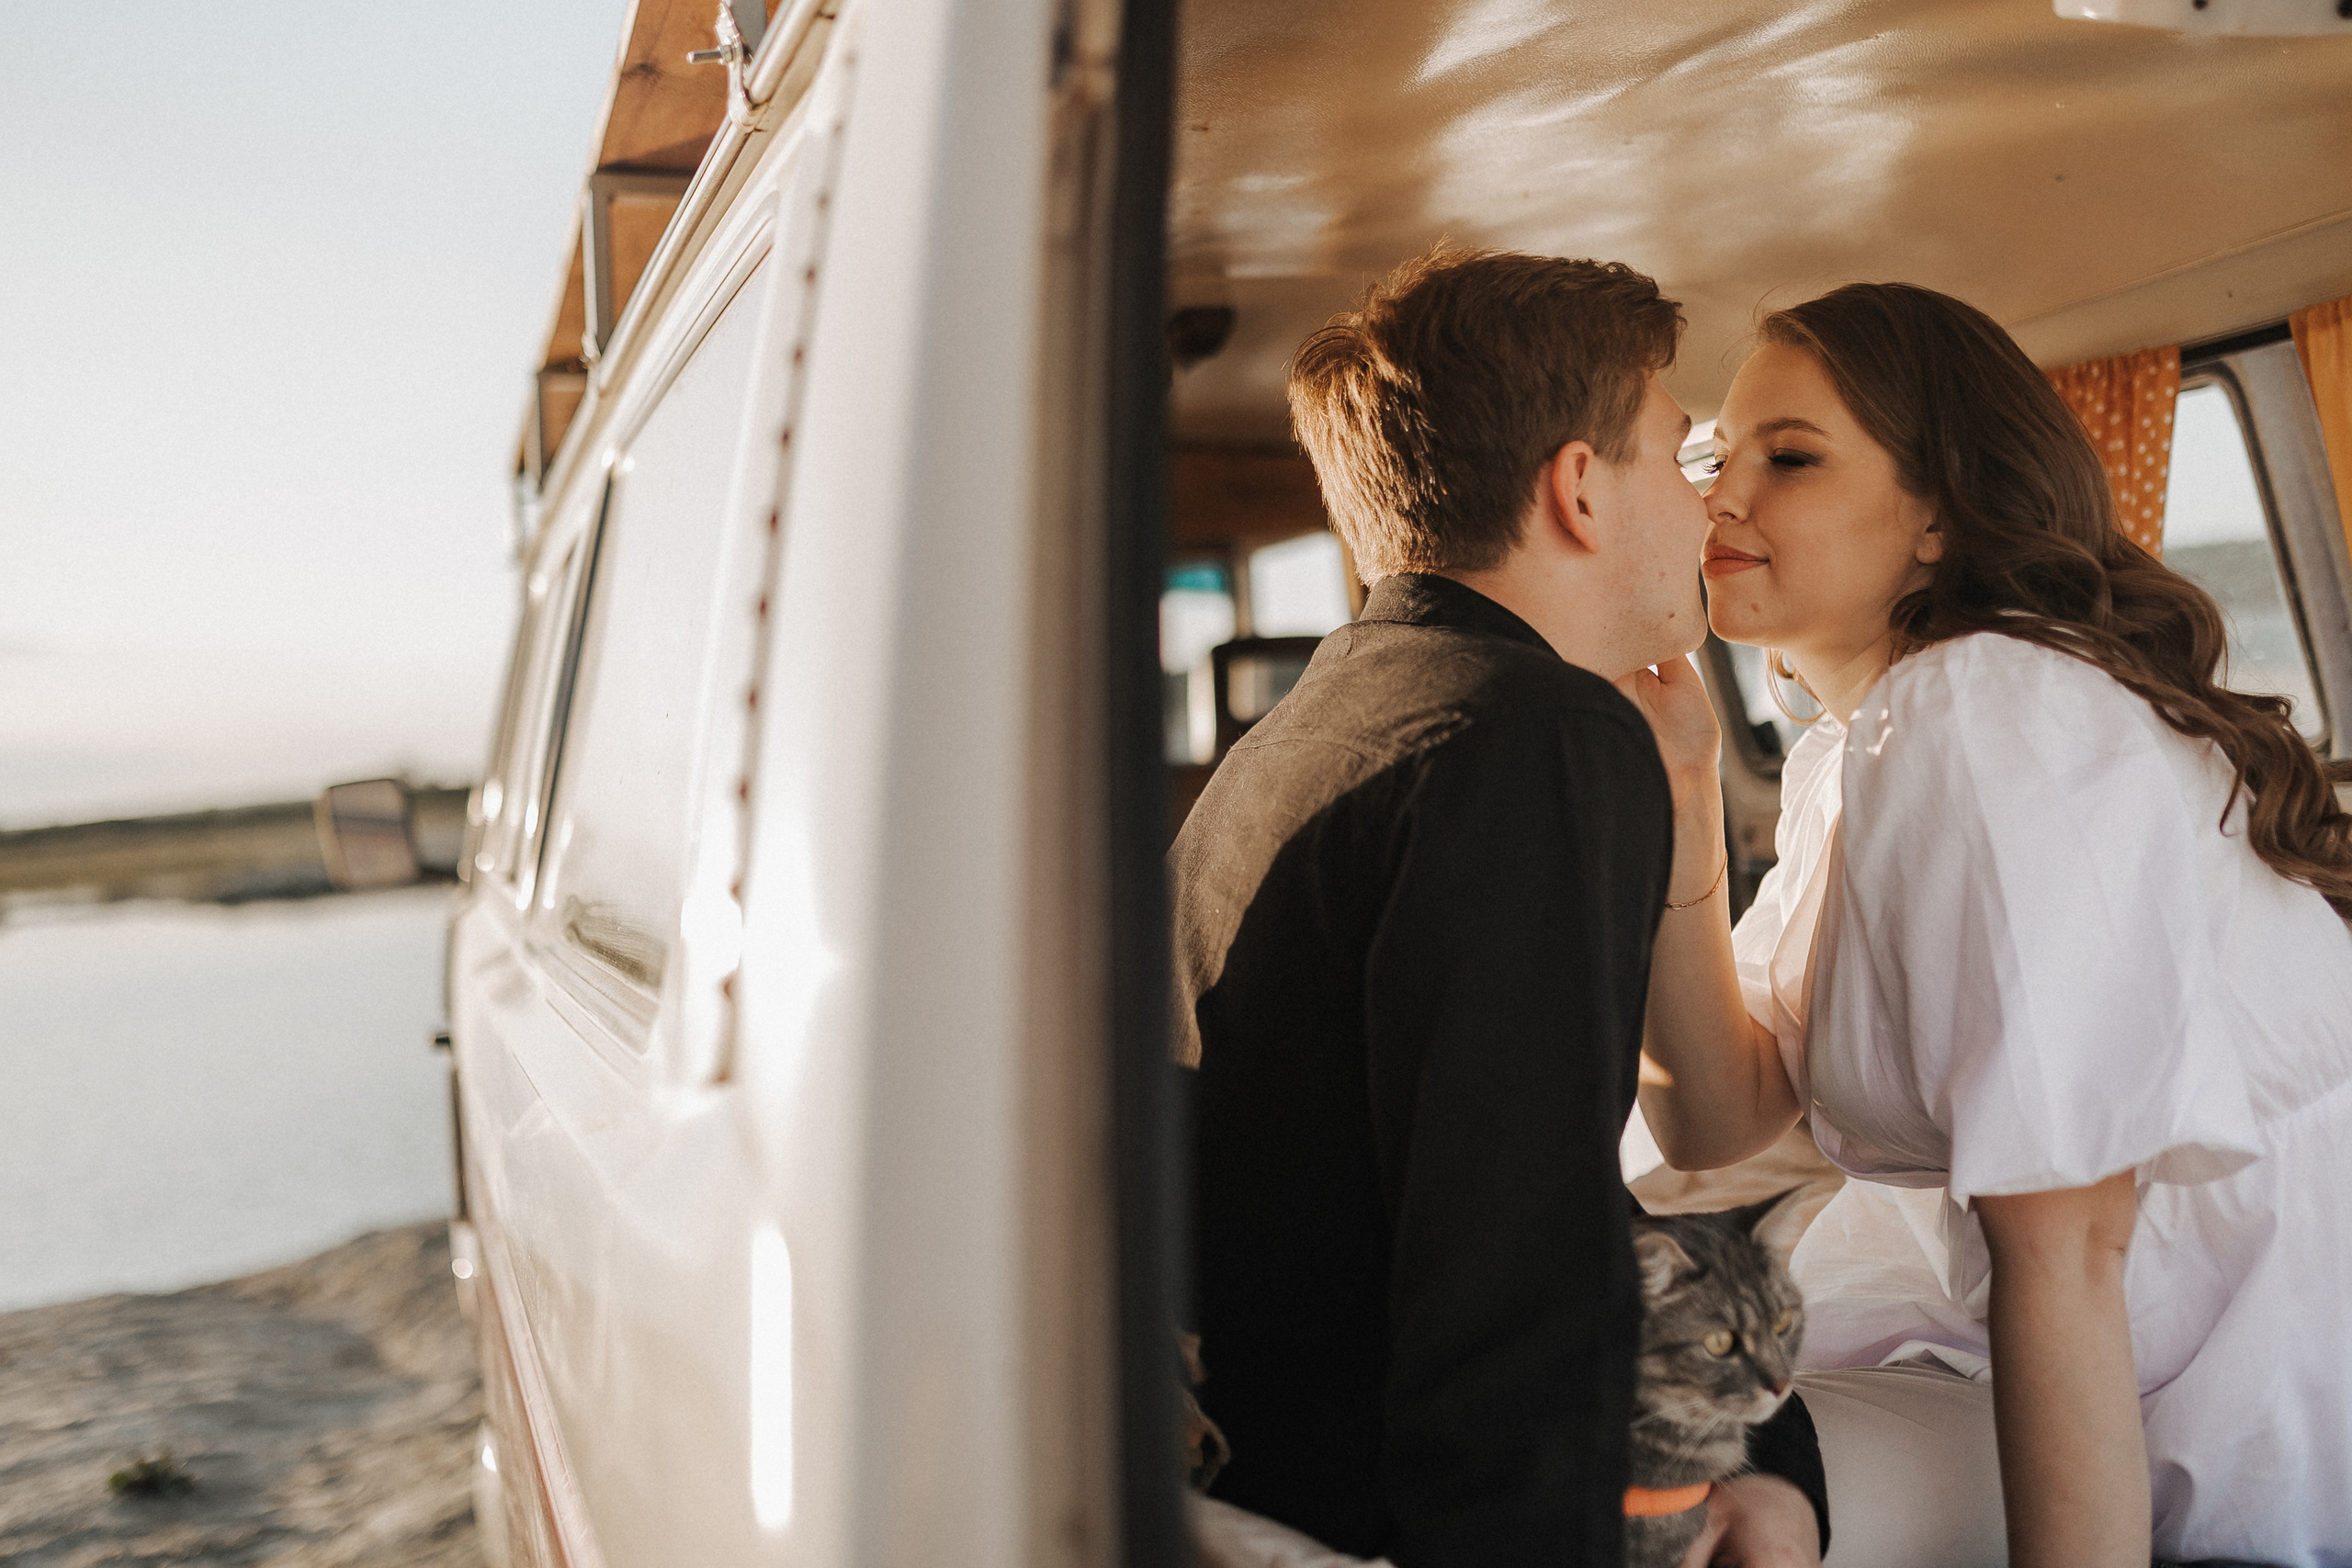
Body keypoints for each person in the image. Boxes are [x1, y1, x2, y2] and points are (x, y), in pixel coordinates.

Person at [1623, 281, 2352, 1568]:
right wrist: (1681, 782)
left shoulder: (1989, 714)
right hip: (2050, 1345)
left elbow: (2068, 1245)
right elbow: (1717, 1112)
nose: (1718, 499)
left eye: (1787, 459)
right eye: (1714, 458)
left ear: (1941, 513)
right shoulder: (1857, 749)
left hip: (2224, 1407)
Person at [1174, 245, 1831, 1568]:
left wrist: (1760, 1455)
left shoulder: (1316, 730)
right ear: (1579, 488)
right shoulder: (1537, 737)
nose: (1704, 509)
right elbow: (1510, 1272)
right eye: (1673, 454)